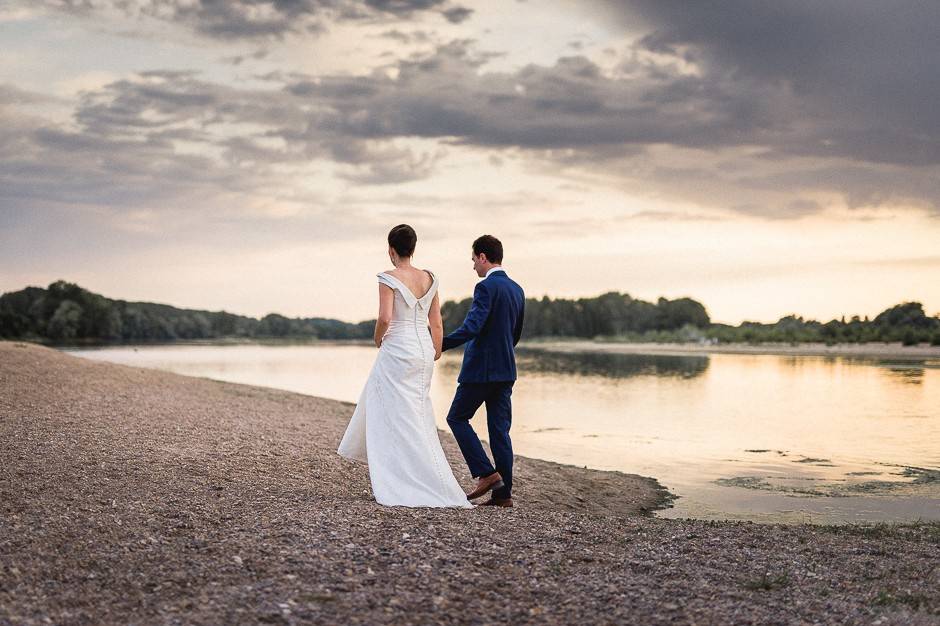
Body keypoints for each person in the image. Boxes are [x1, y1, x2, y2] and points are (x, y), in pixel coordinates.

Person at [337, 224, 472, 508]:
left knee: (392, 413)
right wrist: (435, 350)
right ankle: (427, 476)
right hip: (423, 349)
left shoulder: (388, 277)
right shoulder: (430, 278)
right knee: (417, 413)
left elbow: (385, 318)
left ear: (391, 249)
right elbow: (436, 321)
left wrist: (378, 340)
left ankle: (400, 478)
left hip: (398, 347)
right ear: (413, 248)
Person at [442, 235, 525, 507]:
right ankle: (504, 495)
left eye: (473, 260)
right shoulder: (517, 289)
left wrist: (439, 344)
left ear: (482, 257)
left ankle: (487, 474)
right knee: (500, 432)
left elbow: (471, 328)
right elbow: (515, 334)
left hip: (480, 371)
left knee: (456, 417)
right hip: (506, 370)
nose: (473, 267)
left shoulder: (485, 287)